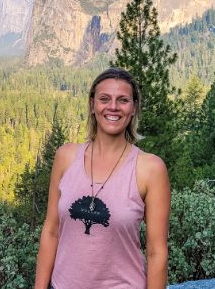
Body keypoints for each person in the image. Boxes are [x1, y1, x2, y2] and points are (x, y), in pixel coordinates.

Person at [35, 67, 171, 289]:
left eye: (123, 100)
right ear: (92, 105)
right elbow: (51, 231)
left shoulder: (150, 169)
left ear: (134, 108)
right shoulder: (66, 157)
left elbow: (157, 253)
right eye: (104, 99)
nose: (113, 107)